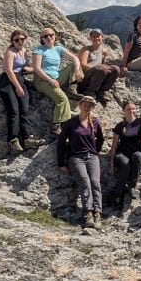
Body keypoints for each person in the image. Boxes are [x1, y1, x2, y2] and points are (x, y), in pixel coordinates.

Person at [58, 96, 104, 229]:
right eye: (85, 104)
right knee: (85, 182)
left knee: (95, 183)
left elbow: (100, 139)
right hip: (76, 158)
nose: (87, 107)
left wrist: (96, 150)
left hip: (92, 157)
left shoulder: (95, 122)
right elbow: (61, 141)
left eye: (90, 105)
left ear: (93, 108)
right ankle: (88, 213)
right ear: (80, 105)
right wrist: (62, 162)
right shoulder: (71, 123)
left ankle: (98, 213)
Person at [0, 30, 44, 154]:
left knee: (24, 109)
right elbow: (9, 70)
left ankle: (28, 138)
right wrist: (18, 87)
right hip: (8, 81)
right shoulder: (10, 52)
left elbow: (23, 67)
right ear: (12, 41)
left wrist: (35, 70)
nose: (20, 41)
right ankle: (13, 139)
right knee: (14, 110)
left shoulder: (24, 52)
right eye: (17, 39)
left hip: (21, 79)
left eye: (22, 39)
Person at [32, 27, 83, 137]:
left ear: (55, 36)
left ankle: (71, 89)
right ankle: (55, 126)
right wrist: (50, 80)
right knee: (62, 99)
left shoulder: (58, 49)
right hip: (43, 80)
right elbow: (37, 68)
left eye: (51, 35)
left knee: (74, 65)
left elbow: (74, 58)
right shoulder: (39, 50)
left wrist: (77, 70)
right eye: (46, 36)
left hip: (57, 77)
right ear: (42, 39)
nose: (49, 37)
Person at [108, 101, 141, 212]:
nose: (132, 111)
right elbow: (114, 146)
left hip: (136, 151)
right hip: (122, 153)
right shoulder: (120, 126)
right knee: (125, 165)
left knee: (138, 157)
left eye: (133, 108)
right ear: (124, 111)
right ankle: (117, 195)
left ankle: (131, 185)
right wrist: (111, 163)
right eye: (129, 109)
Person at [78, 28, 120, 106]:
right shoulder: (86, 50)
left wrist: (105, 70)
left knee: (116, 69)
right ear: (90, 38)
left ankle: (102, 91)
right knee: (102, 68)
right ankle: (89, 92)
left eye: (98, 36)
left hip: (97, 76)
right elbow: (82, 65)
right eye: (93, 36)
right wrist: (98, 69)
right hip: (85, 79)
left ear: (102, 37)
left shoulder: (103, 51)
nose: (96, 38)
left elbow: (102, 64)